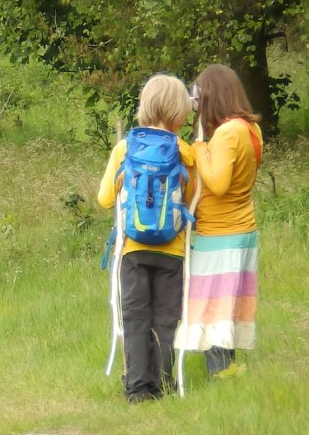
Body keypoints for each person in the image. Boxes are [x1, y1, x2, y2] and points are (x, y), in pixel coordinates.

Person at [97, 74, 200, 402]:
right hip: (172, 250)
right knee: (166, 318)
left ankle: (139, 389)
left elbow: (104, 199)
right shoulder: (184, 152)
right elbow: (193, 197)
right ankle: (165, 383)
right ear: (179, 112)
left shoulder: (125, 148)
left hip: (133, 249)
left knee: (136, 315)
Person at [179, 63, 263, 378]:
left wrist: (199, 147)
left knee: (215, 313)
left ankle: (220, 374)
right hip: (242, 230)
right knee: (227, 311)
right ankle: (226, 374)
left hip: (220, 237)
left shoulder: (228, 132)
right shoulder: (250, 128)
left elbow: (218, 183)